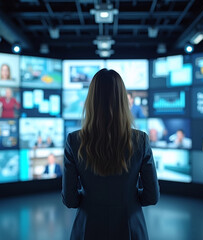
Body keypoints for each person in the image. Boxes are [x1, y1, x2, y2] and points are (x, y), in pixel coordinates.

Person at [62, 69, 159, 240]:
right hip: (130, 228)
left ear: (91, 100)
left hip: (88, 228)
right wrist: (130, 200)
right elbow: (151, 197)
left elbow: (70, 200)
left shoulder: (74, 140)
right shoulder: (141, 140)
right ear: (122, 100)